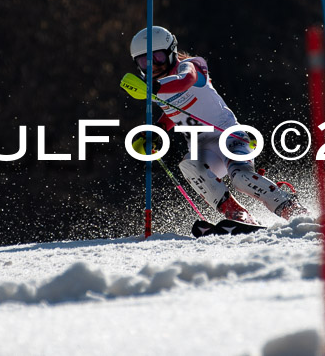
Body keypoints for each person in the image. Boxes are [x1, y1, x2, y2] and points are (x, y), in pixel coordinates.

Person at [129, 26, 308, 225]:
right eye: (145, 61)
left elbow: (185, 82)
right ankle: (238, 215)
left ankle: (290, 208)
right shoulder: (157, 88)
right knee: (189, 165)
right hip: (204, 149)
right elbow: (174, 111)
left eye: (158, 57)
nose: (153, 65)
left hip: (230, 137)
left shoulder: (191, 66)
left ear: (171, 52)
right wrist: (157, 132)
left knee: (241, 179)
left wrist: (154, 88)